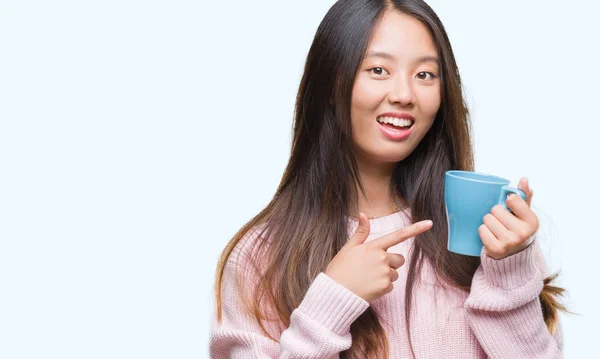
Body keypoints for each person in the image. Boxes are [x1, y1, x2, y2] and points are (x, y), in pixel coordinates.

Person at [209, 0, 567, 358]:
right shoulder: (262, 255)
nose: (404, 95)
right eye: (378, 69)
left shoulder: (491, 236)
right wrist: (330, 302)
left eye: (425, 74)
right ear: (332, 82)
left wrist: (510, 276)